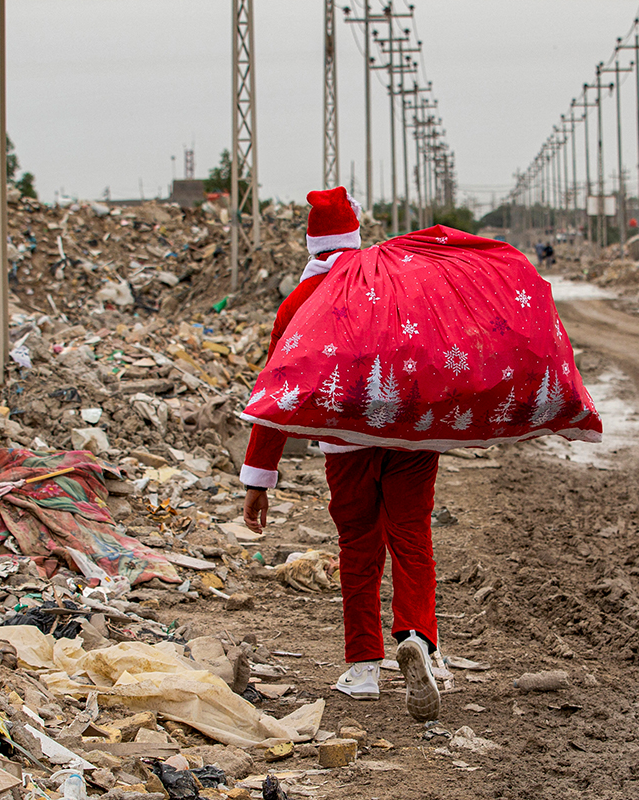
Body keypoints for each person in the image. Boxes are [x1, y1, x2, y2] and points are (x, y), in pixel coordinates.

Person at [241, 187, 441, 722]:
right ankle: (421, 638)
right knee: (411, 535)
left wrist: (259, 479)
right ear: (356, 238)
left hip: (345, 441)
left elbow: (279, 390)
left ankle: (364, 667)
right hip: (410, 433)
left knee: (358, 544)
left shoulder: (300, 302)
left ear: (312, 243)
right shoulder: (395, 282)